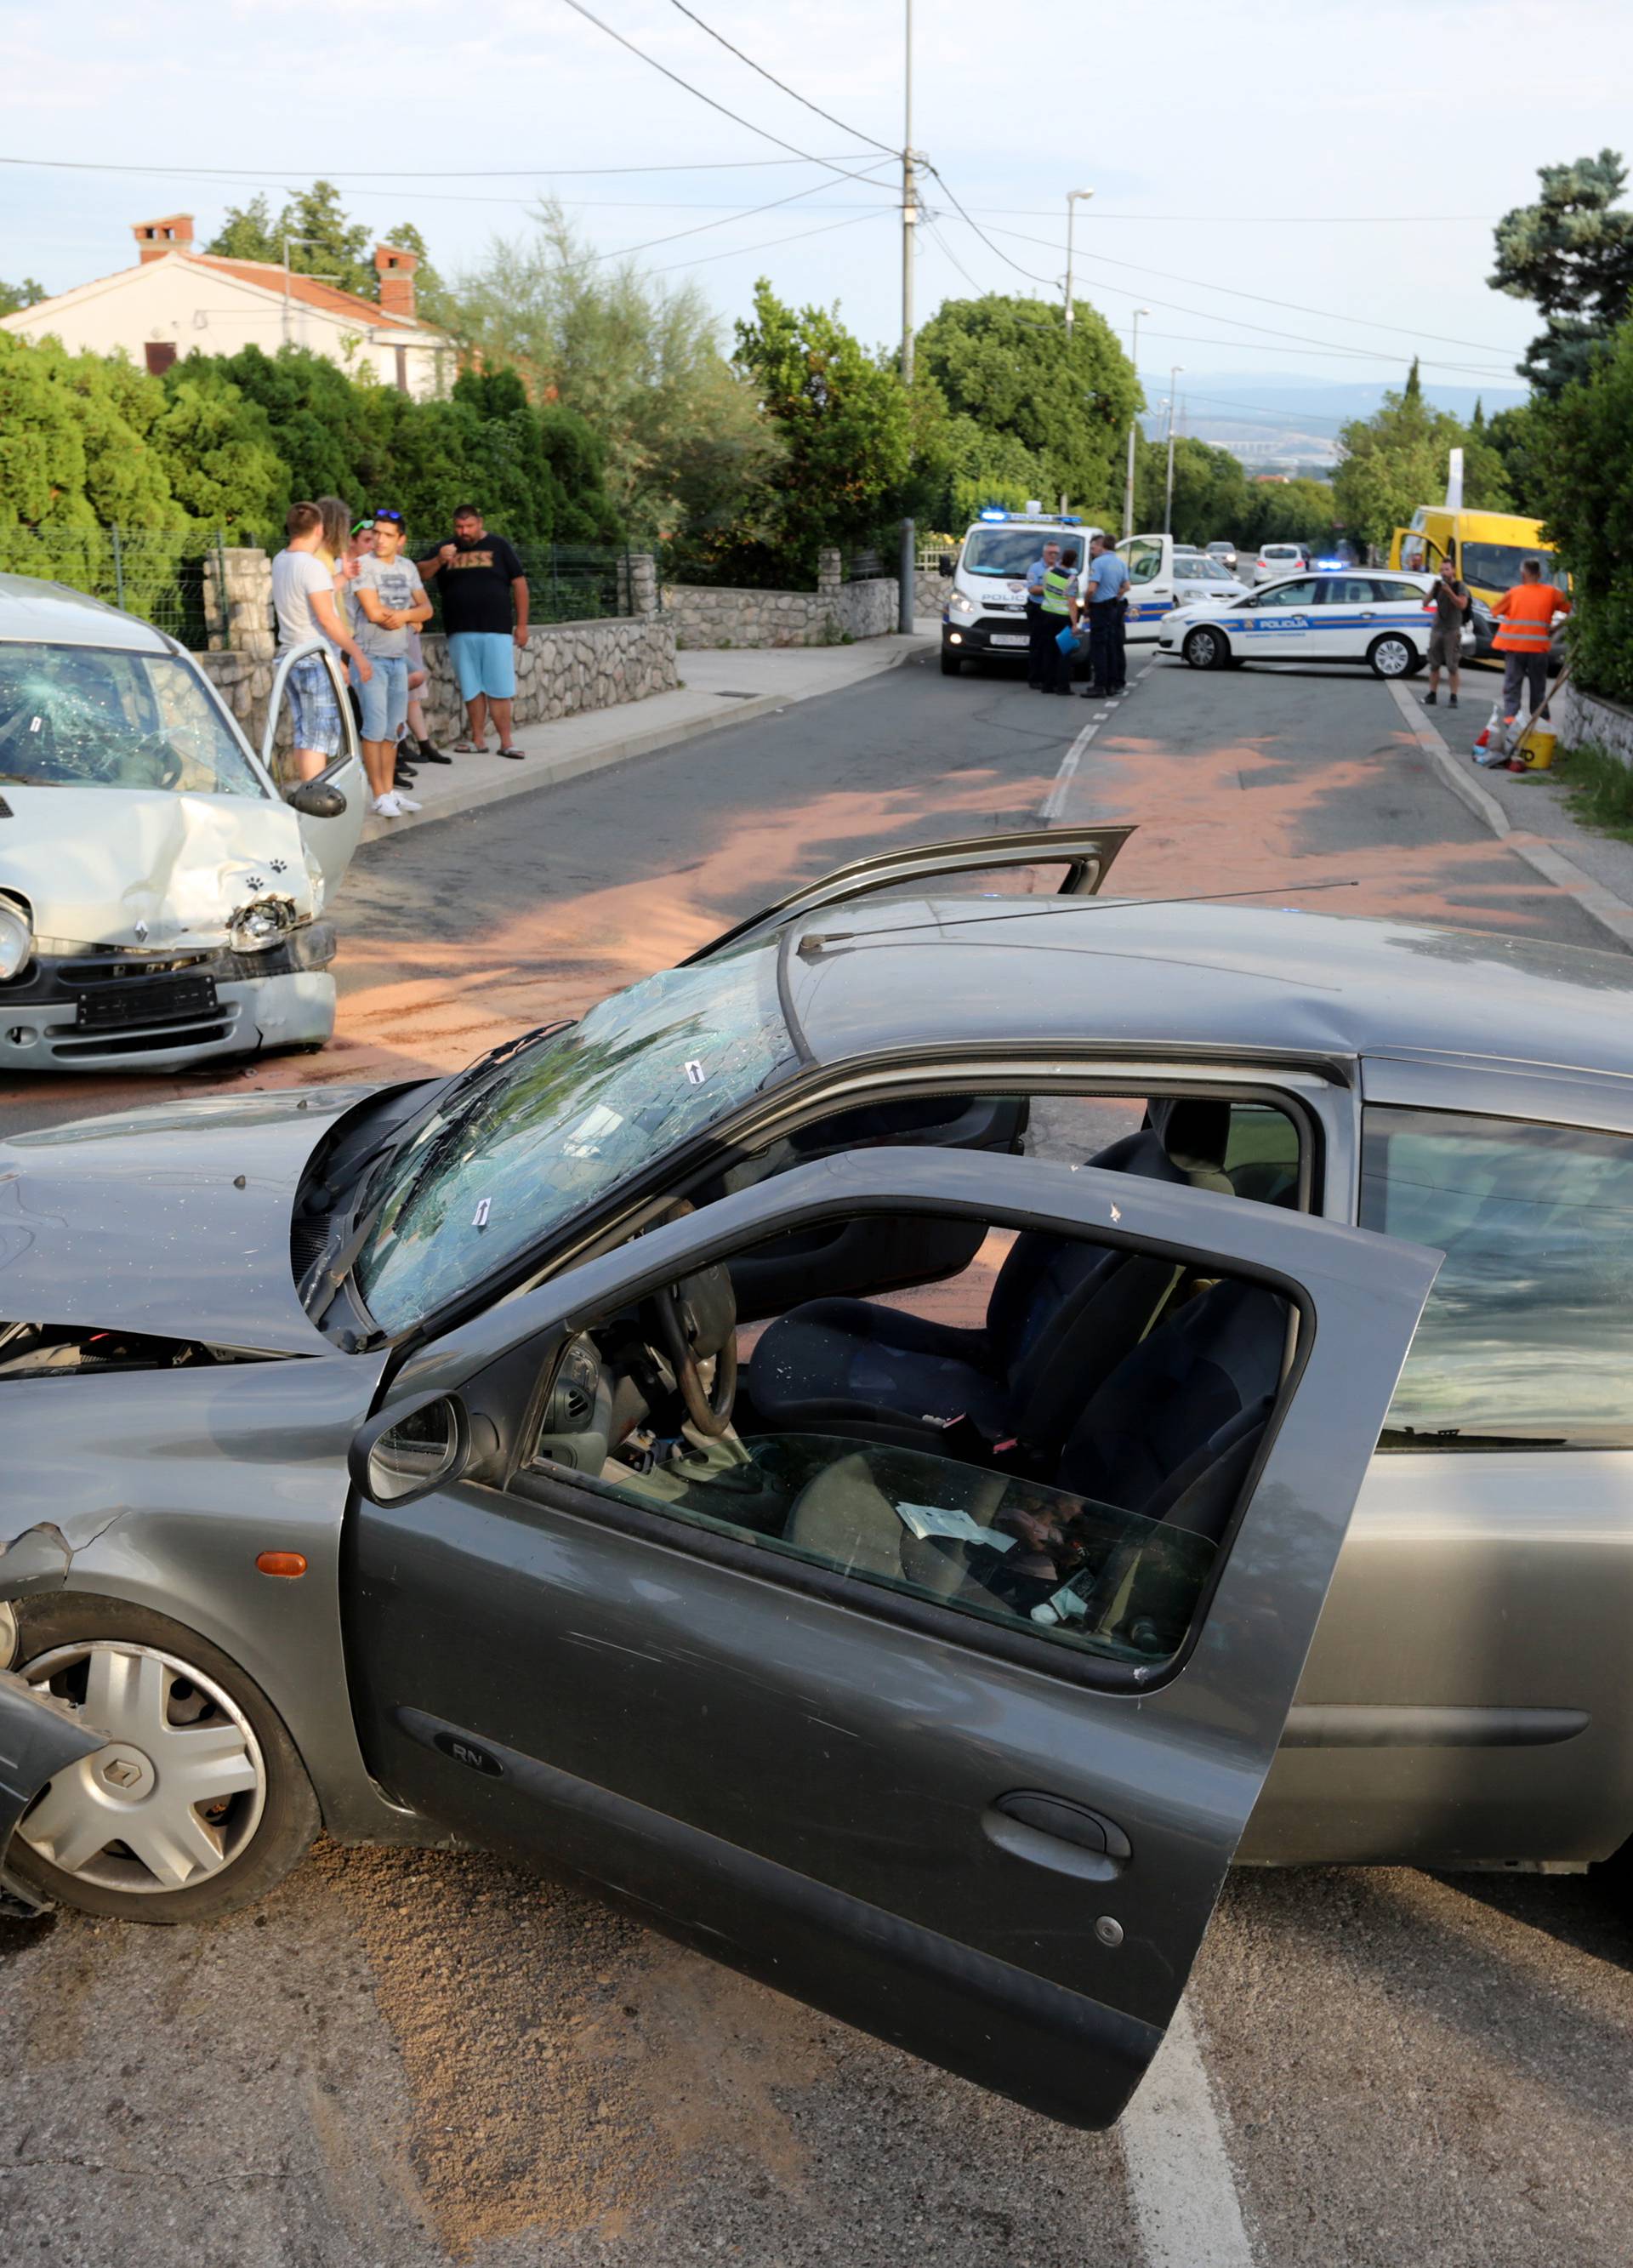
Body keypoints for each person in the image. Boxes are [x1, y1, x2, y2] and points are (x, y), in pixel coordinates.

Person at [270, 500, 373, 784]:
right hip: (314, 659)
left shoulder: (281, 560)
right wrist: (356, 656)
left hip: (290, 655)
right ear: (319, 528)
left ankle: (309, 790)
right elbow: (328, 618)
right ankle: (316, 800)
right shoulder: (311, 565)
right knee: (320, 736)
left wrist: (341, 577)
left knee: (305, 732)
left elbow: (312, 595)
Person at [418, 504, 529, 758]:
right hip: (459, 629)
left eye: (469, 526)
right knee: (471, 688)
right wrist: (439, 560)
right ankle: (477, 739)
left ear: (480, 522)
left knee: (499, 688)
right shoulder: (445, 548)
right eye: (459, 527)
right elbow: (418, 574)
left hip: (496, 628)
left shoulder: (499, 546)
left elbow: (520, 584)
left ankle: (506, 742)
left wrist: (522, 624)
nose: (464, 531)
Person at [350, 509, 433, 819]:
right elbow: (373, 612)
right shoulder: (363, 566)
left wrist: (403, 616)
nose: (379, 540)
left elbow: (427, 608)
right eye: (377, 534)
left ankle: (388, 792)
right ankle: (379, 794)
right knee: (373, 729)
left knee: (394, 729)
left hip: (398, 658)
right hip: (371, 657)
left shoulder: (407, 566)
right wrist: (410, 617)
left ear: (401, 540)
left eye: (388, 535)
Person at [1491, 557, 1572, 724]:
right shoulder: (1552, 593)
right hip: (1538, 649)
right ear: (1540, 575)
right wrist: (1556, 628)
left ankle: (1510, 722)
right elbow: (1572, 610)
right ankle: (1542, 722)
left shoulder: (1514, 592)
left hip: (1515, 648)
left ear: (1523, 574)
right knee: (1538, 689)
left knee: (1513, 686)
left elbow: (1495, 611)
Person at [1080, 533, 1130, 698]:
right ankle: (1111, 684)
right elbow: (1126, 586)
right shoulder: (1120, 563)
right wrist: (1114, 597)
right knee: (1111, 646)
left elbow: (1092, 589)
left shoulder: (1098, 562)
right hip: (1113, 608)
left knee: (1098, 647)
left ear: (1103, 546)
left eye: (1094, 547)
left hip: (1100, 608)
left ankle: (1099, 686)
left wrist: (1087, 604)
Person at [1422, 556, 1469, 709]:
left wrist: (1449, 592)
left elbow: (1462, 605)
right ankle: (1432, 695)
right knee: (1434, 664)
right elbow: (1425, 602)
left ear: (1453, 570)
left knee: (1452, 666)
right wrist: (1434, 589)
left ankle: (1453, 697)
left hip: (1452, 630)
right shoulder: (1438, 586)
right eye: (1442, 570)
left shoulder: (1460, 586)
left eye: (1447, 569)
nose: (1444, 572)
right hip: (1437, 629)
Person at [1040, 546, 1079, 695]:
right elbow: (1071, 603)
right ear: (1074, 563)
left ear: (1062, 559)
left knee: (1048, 651)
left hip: (1046, 615)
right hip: (1063, 619)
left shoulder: (1048, 572)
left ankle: (1047, 685)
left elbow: (1045, 590)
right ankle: (1063, 687)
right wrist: (1075, 624)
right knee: (1064, 653)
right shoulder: (1072, 580)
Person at [1025, 539, 1061, 691]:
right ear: (1044, 553)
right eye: (1050, 553)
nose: (1053, 556)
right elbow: (1032, 589)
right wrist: (1051, 588)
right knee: (1037, 645)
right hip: (1038, 609)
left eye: (1056, 553)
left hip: (1054, 611)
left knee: (1052, 646)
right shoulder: (1035, 568)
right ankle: (1035, 678)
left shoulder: (1060, 569)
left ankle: (1051, 678)